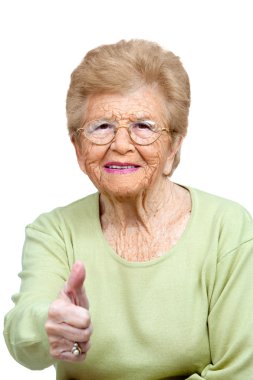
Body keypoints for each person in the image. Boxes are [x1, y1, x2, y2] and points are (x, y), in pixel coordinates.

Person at [3, 39, 253, 379]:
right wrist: (48, 323)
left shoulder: (228, 228)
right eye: (102, 126)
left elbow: (239, 371)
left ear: (174, 145)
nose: (121, 145)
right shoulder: (55, 230)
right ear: (78, 147)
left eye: (143, 126)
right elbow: (23, 340)